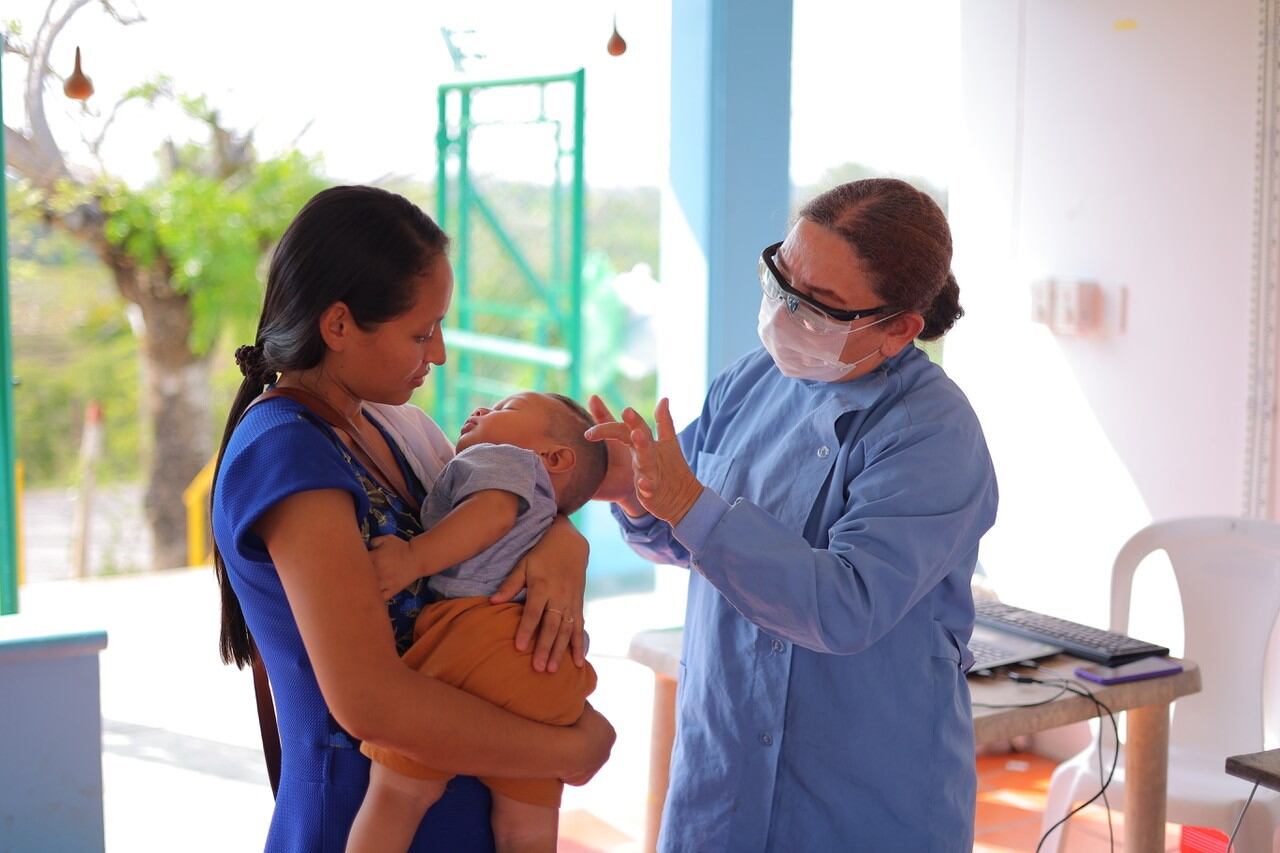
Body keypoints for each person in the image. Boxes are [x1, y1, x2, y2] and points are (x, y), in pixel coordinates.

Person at [587, 178, 999, 851]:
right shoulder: (750, 381)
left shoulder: (933, 432)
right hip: (723, 777)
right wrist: (637, 494)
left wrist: (689, 503)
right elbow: (686, 531)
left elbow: (845, 605)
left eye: (821, 308)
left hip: (863, 800)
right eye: (780, 281)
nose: (783, 315)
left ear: (898, 328)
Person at [210, 185, 614, 852]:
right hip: (356, 817)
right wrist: (563, 748)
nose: (441, 353)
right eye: (420, 332)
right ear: (338, 325)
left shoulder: (392, 428)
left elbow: (508, 507)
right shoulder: (288, 452)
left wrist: (561, 546)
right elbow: (370, 702)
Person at [347, 391, 608, 852]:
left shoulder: (504, 460)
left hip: (479, 633)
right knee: (526, 828)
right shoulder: (543, 505)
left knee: (398, 794)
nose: (484, 409)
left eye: (507, 409)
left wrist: (412, 558)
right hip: (549, 663)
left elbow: (491, 514)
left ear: (554, 457)